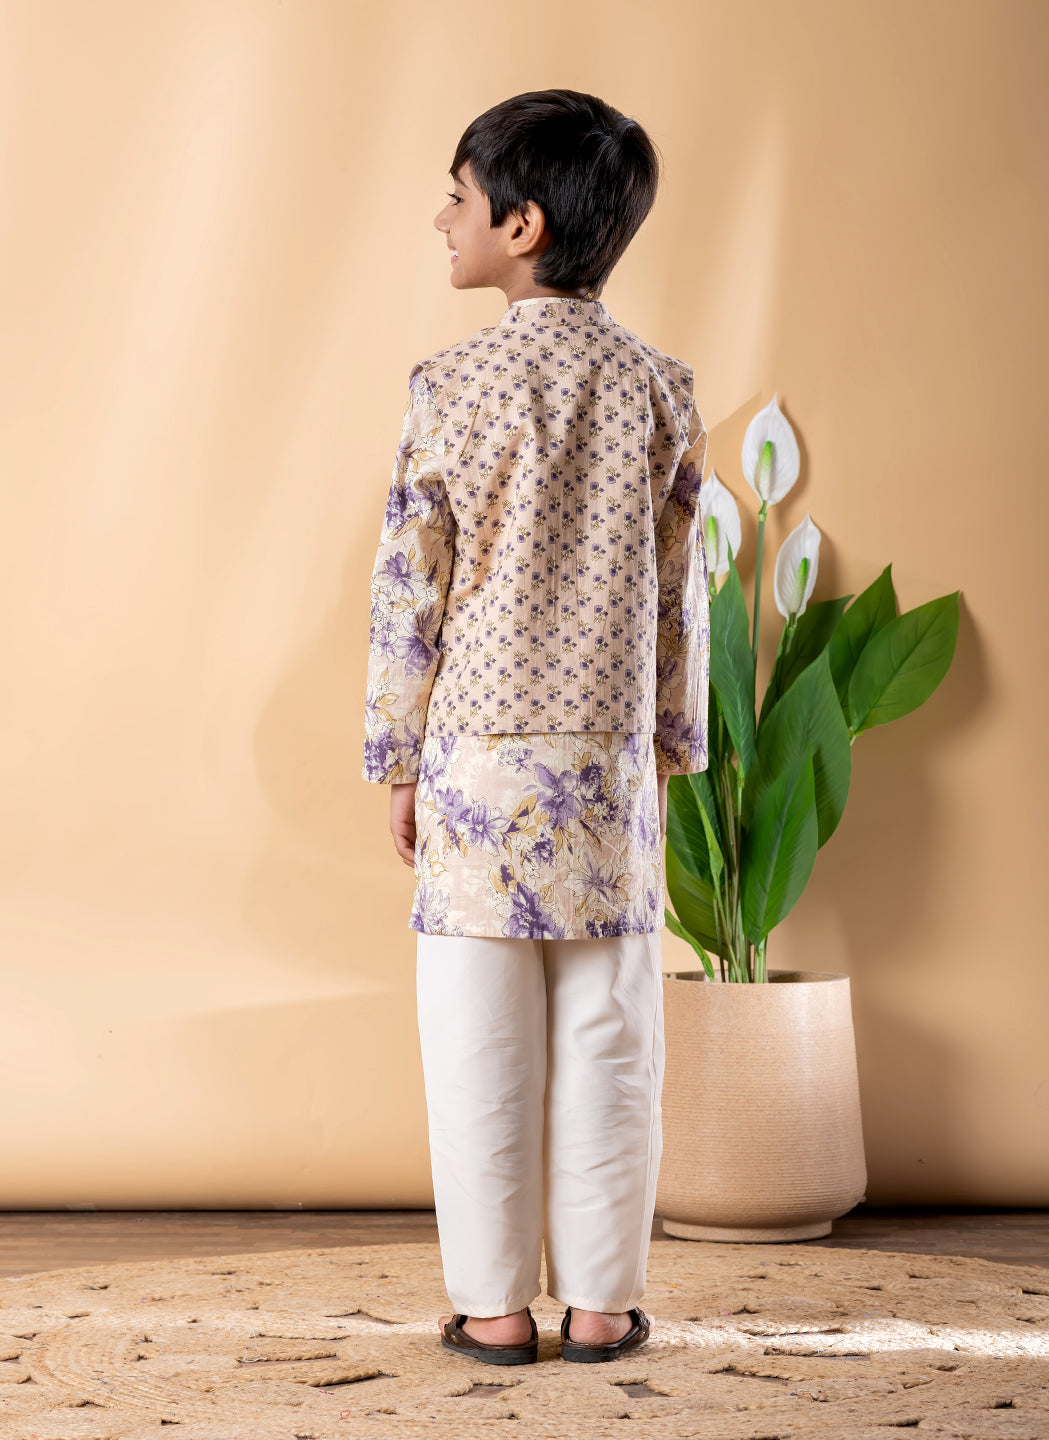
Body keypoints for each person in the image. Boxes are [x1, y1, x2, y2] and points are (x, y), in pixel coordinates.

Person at [363, 88, 710, 1366]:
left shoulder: (449, 386)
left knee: (477, 1045)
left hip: (476, 770)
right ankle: (604, 1304)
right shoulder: (661, 390)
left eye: (457, 198)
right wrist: (673, 750)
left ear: (522, 225)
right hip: (607, 766)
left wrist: (396, 758)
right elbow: (681, 599)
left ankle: (494, 1308)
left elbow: (411, 590)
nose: (441, 219)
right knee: (614, 1038)